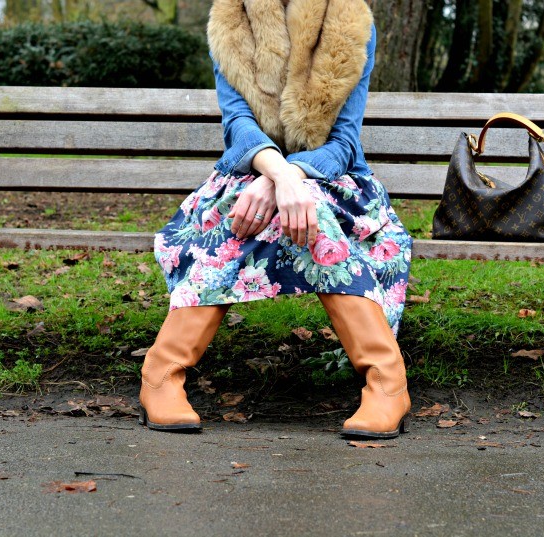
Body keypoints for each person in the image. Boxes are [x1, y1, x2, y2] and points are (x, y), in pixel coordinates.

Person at [139, 0, 413, 439]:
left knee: (313, 212)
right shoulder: (230, 20)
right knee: (239, 219)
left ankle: (387, 385)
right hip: (249, 175)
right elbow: (238, 125)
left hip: (333, 181)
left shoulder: (350, 22)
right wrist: (276, 174)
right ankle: (161, 377)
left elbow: (342, 143)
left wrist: (292, 178)